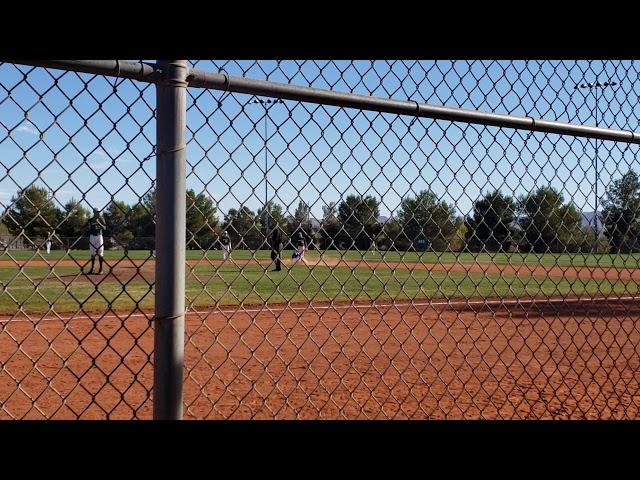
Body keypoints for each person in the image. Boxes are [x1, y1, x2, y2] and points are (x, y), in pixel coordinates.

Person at [87, 208, 105, 275]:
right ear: (93, 212)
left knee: (100, 252)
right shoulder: (90, 220)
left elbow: (104, 228)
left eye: (99, 212)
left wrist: (99, 223)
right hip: (92, 237)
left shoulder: (101, 219)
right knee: (92, 253)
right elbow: (87, 227)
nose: (98, 213)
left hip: (99, 236)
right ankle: (93, 268)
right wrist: (92, 222)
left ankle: (101, 269)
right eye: (96, 212)